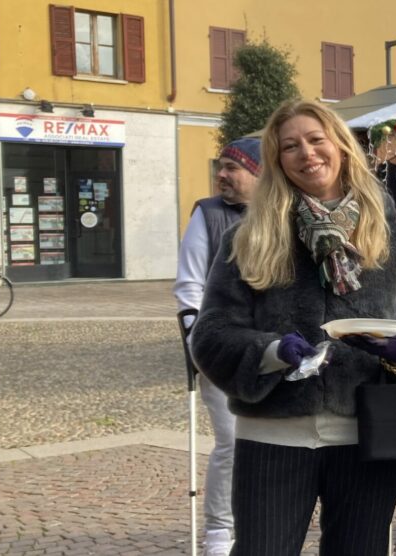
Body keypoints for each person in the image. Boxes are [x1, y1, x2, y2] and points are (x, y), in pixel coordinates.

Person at [190, 100, 396, 556]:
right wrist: (270, 352)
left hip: (369, 435)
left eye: (315, 140)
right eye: (290, 147)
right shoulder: (250, 238)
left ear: (342, 148)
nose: (306, 153)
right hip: (271, 434)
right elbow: (210, 335)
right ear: (278, 162)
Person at [173, 137, 261, 556]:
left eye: (232, 167)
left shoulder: (281, 214)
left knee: (269, 444)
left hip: (275, 352)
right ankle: (219, 534)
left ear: (259, 174)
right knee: (232, 442)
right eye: (220, 166)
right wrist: (201, 348)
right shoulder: (208, 215)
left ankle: (260, 522)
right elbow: (189, 287)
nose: (221, 175)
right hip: (222, 351)